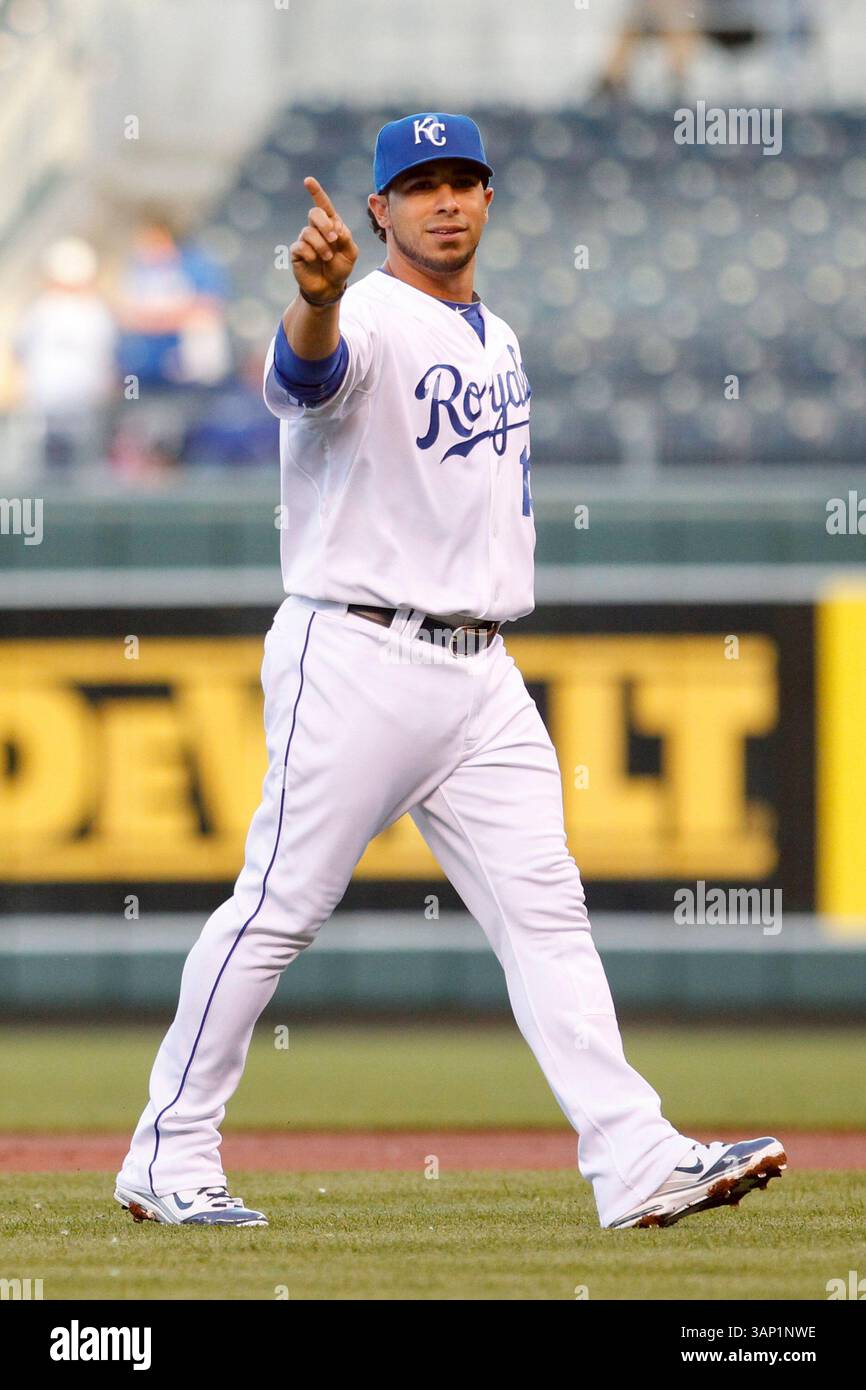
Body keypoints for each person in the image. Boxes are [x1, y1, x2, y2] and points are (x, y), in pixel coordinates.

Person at [114, 112, 786, 1230]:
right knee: (279, 907)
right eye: (417, 184)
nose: (444, 200)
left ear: (487, 196)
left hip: (480, 674)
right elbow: (302, 376)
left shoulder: (499, 334)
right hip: (358, 649)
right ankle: (167, 1149)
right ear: (376, 209)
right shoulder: (364, 315)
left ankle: (633, 1158)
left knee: (547, 913)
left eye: (462, 179)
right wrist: (318, 296)